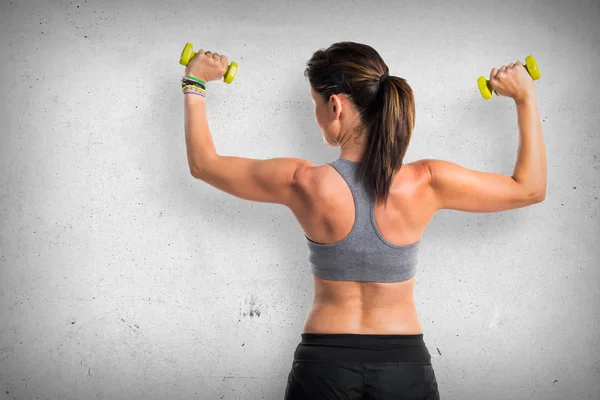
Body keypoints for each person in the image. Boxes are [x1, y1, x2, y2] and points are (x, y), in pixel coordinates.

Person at [181, 41, 546, 399]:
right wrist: (524, 97)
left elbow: (204, 165)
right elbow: (530, 188)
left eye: (315, 104)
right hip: (404, 365)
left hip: (324, 364)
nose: (316, 115)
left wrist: (194, 81)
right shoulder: (428, 182)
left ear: (335, 105)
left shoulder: (303, 182)